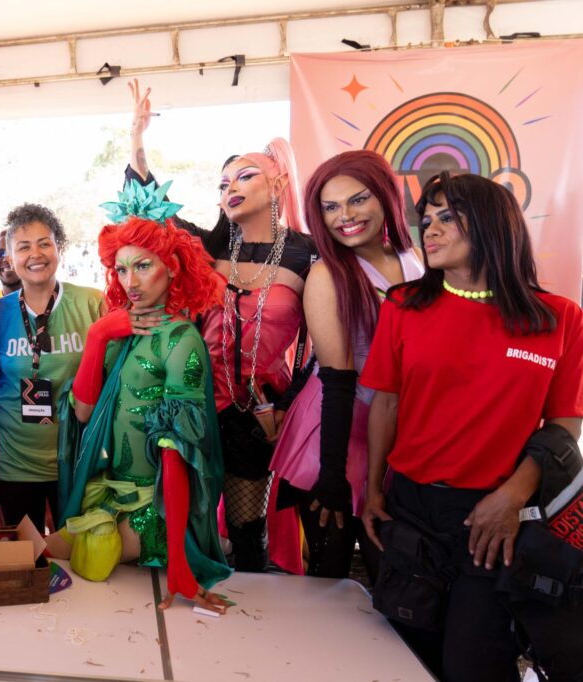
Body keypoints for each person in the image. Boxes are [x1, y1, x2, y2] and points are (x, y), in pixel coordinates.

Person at [360, 172, 583, 681]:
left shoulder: (558, 317)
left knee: (474, 664)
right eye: (427, 220)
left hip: (495, 519)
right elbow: (386, 405)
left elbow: (565, 421)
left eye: (447, 218)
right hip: (412, 509)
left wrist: (510, 498)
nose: (429, 231)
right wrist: (374, 489)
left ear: (489, 225)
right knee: (409, 658)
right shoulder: (403, 306)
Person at [126, 80, 315, 573]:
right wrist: (137, 144)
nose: (229, 188)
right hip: (192, 403)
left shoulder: (307, 252)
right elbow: (155, 215)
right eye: (223, 183)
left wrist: (286, 404)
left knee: (247, 535)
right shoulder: (208, 247)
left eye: (244, 177)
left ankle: (248, 628)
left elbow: (321, 349)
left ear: (276, 185)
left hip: (256, 412)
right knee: (179, 520)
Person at [49, 181, 232, 612]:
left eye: (143, 266)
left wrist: (183, 565)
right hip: (110, 492)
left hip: (155, 507)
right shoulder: (119, 330)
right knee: (44, 557)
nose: (130, 281)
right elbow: (83, 411)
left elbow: (178, 450)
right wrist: (97, 336)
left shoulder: (181, 340)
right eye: (121, 269)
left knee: (82, 568)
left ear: (171, 267)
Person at [270, 151, 423, 578]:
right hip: (334, 434)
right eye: (331, 206)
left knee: (393, 574)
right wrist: (332, 474)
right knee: (329, 577)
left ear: (386, 197)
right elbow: (337, 380)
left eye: (358, 200)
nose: (346, 216)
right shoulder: (328, 274)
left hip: (391, 430)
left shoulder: (411, 261)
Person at [0, 204, 103, 532]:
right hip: (13, 460)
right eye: (23, 246)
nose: (36, 254)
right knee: (27, 562)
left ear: (58, 248)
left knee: (77, 559)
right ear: (10, 257)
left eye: (44, 243)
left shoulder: (93, 304)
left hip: (75, 458)